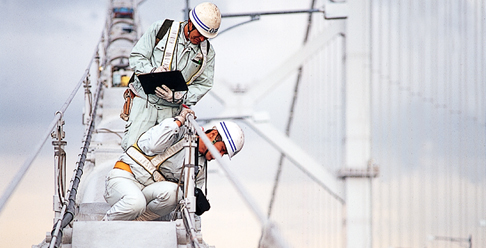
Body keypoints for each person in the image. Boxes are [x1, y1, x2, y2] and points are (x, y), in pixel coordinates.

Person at [103, 108, 245, 221]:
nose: (220, 156)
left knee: (175, 193)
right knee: (135, 203)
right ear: (213, 135)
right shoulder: (180, 131)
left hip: (146, 191)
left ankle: (137, 223)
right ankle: (103, 228)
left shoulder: (199, 169)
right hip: (126, 177)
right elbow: (154, 145)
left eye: (224, 154)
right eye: (222, 149)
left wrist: (194, 235)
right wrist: (179, 121)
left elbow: (190, 204)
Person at [121, 2, 222, 150]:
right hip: (144, 102)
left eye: (205, 37)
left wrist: (180, 96)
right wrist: (151, 71)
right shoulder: (162, 29)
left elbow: (204, 84)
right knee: (133, 150)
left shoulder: (208, 54)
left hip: (170, 111)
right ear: (190, 23)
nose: (201, 39)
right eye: (199, 34)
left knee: (160, 157)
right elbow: (137, 56)